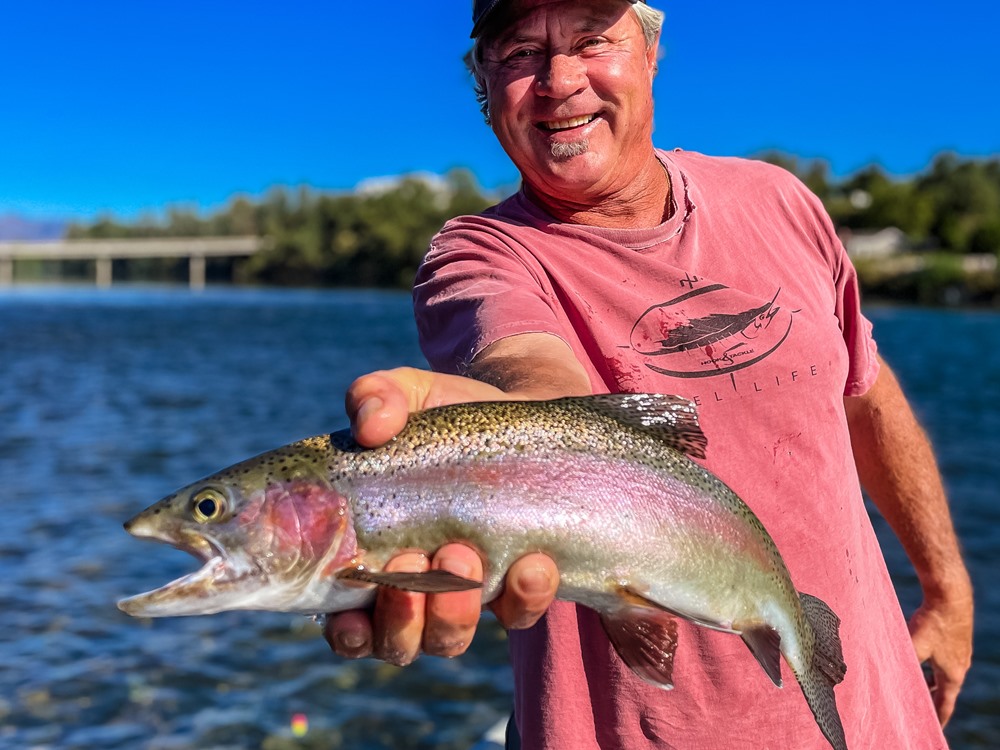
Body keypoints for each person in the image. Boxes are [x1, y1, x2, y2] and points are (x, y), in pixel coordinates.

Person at [324, 1, 974, 747]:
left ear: (651, 49)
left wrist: (948, 592)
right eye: (520, 53)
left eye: (592, 40)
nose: (559, 81)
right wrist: (531, 425)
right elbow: (527, 365)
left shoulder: (780, 201)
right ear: (483, 81)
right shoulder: (477, 255)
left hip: (880, 714)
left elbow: (864, 393)